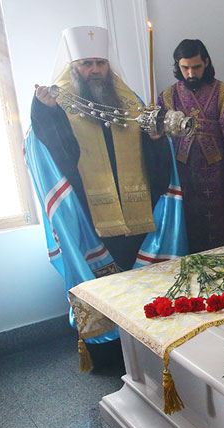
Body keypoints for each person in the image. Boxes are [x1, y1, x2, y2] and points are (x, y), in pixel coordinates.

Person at [26, 25, 187, 348]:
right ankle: (110, 349)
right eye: (87, 64)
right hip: (91, 214)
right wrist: (45, 113)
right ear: (74, 66)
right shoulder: (57, 101)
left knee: (142, 284)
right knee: (106, 287)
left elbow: (152, 147)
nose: (95, 70)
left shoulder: (128, 99)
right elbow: (54, 153)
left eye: (100, 62)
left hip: (136, 212)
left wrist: (156, 138)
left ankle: (152, 343)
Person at [158, 39, 224, 253]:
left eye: (196, 67)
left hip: (221, 177)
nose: (191, 73)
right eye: (185, 68)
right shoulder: (167, 97)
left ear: (206, 63)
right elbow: (162, 141)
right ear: (177, 65)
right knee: (192, 233)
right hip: (184, 178)